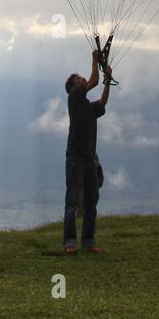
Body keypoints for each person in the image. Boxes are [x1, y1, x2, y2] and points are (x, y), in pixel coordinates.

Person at [63, 37, 113, 253]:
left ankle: (89, 242)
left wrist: (108, 80)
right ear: (73, 87)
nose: (83, 79)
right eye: (78, 79)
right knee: (73, 202)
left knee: (91, 202)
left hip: (89, 159)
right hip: (75, 159)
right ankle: (70, 243)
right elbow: (93, 81)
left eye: (81, 77)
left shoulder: (87, 107)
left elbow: (102, 103)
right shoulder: (74, 99)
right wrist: (95, 60)